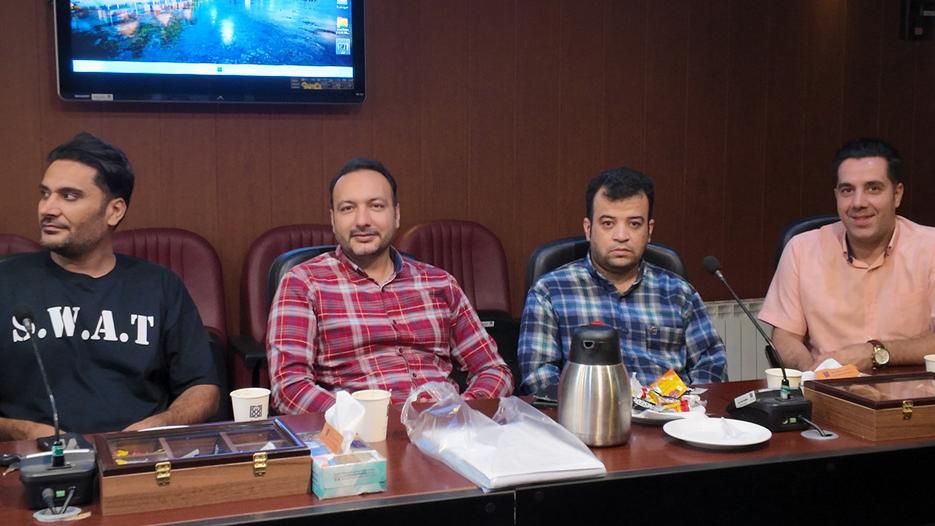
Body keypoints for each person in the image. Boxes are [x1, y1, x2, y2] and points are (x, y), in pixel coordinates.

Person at [0, 132, 219, 439]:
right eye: (45, 194)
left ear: (114, 211)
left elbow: (203, 388)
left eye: (69, 196)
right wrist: (20, 431)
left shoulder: (159, 285)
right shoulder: (6, 281)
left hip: (136, 453)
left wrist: (161, 424)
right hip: (33, 457)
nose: (47, 209)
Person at [266, 158, 513, 413]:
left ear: (396, 215)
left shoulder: (440, 283)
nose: (362, 220)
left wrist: (460, 411)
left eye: (376, 206)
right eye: (348, 208)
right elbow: (289, 388)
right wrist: (365, 419)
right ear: (333, 219)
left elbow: (494, 370)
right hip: (357, 434)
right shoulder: (303, 284)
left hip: (447, 428)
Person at [518, 167, 727, 395]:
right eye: (608, 223)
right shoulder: (550, 291)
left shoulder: (679, 293)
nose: (621, 236)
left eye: (634, 224)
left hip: (671, 412)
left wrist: (685, 405)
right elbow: (538, 377)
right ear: (588, 229)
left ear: (649, 230)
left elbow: (712, 365)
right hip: (586, 413)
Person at [759, 138, 935, 372]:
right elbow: (785, 338)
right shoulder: (801, 250)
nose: (858, 202)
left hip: (913, 390)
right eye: (847, 190)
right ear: (836, 195)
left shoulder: (930, 248)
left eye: (873, 188)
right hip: (828, 387)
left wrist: (875, 353)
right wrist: (812, 374)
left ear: (897, 195)